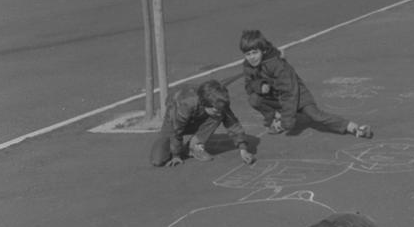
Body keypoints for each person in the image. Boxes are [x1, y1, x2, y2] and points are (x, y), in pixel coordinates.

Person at [240, 29, 372, 138]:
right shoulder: (248, 66)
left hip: (298, 95)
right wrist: (259, 85)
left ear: (263, 50)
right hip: (276, 97)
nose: (252, 57)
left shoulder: (278, 66)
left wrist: (287, 121)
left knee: (316, 115)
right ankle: (276, 118)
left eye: (255, 53)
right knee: (254, 99)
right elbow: (248, 86)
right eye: (248, 54)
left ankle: (354, 128)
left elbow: (290, 93)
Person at [149, 79, 256, 168]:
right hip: (175, 120)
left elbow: (233, 124)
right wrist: (176, 154)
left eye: (220, 109)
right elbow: (177, 130)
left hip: (197, 117)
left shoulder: (218, 104)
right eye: (215, 109)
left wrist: (243, 149)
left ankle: (195, 146)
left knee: (220, 116)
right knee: (158, 160)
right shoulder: (185, 103)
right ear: (205, 104)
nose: (219, 112)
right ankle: (178, 149)